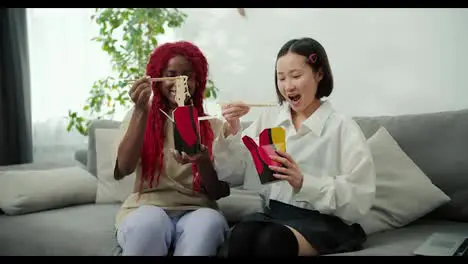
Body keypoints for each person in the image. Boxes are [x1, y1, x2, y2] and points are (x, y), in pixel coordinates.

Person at [217, 37, 376, 256]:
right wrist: (233, 128)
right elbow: (233, 172)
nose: (288, 86)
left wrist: (303, 182)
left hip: (324, 220)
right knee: (241, 235)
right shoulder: (270, 118)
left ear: (319, 74)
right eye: (281, 78)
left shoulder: (343, 127)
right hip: (276, 214)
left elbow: (359, 199)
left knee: (272, 241)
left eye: (296, 76)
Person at [113, 41, 231, 256]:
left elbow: (217, 192)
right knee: (149, 223)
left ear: (198, 80)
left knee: (206, 225)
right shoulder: (139, 116)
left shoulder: (212, 123)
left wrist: (203, 161)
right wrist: (140, 111)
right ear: (157, 77)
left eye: (187, 75)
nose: (179, 81)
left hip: (199, 209)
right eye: (171, 74)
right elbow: (123, 169)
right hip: (146, 207)